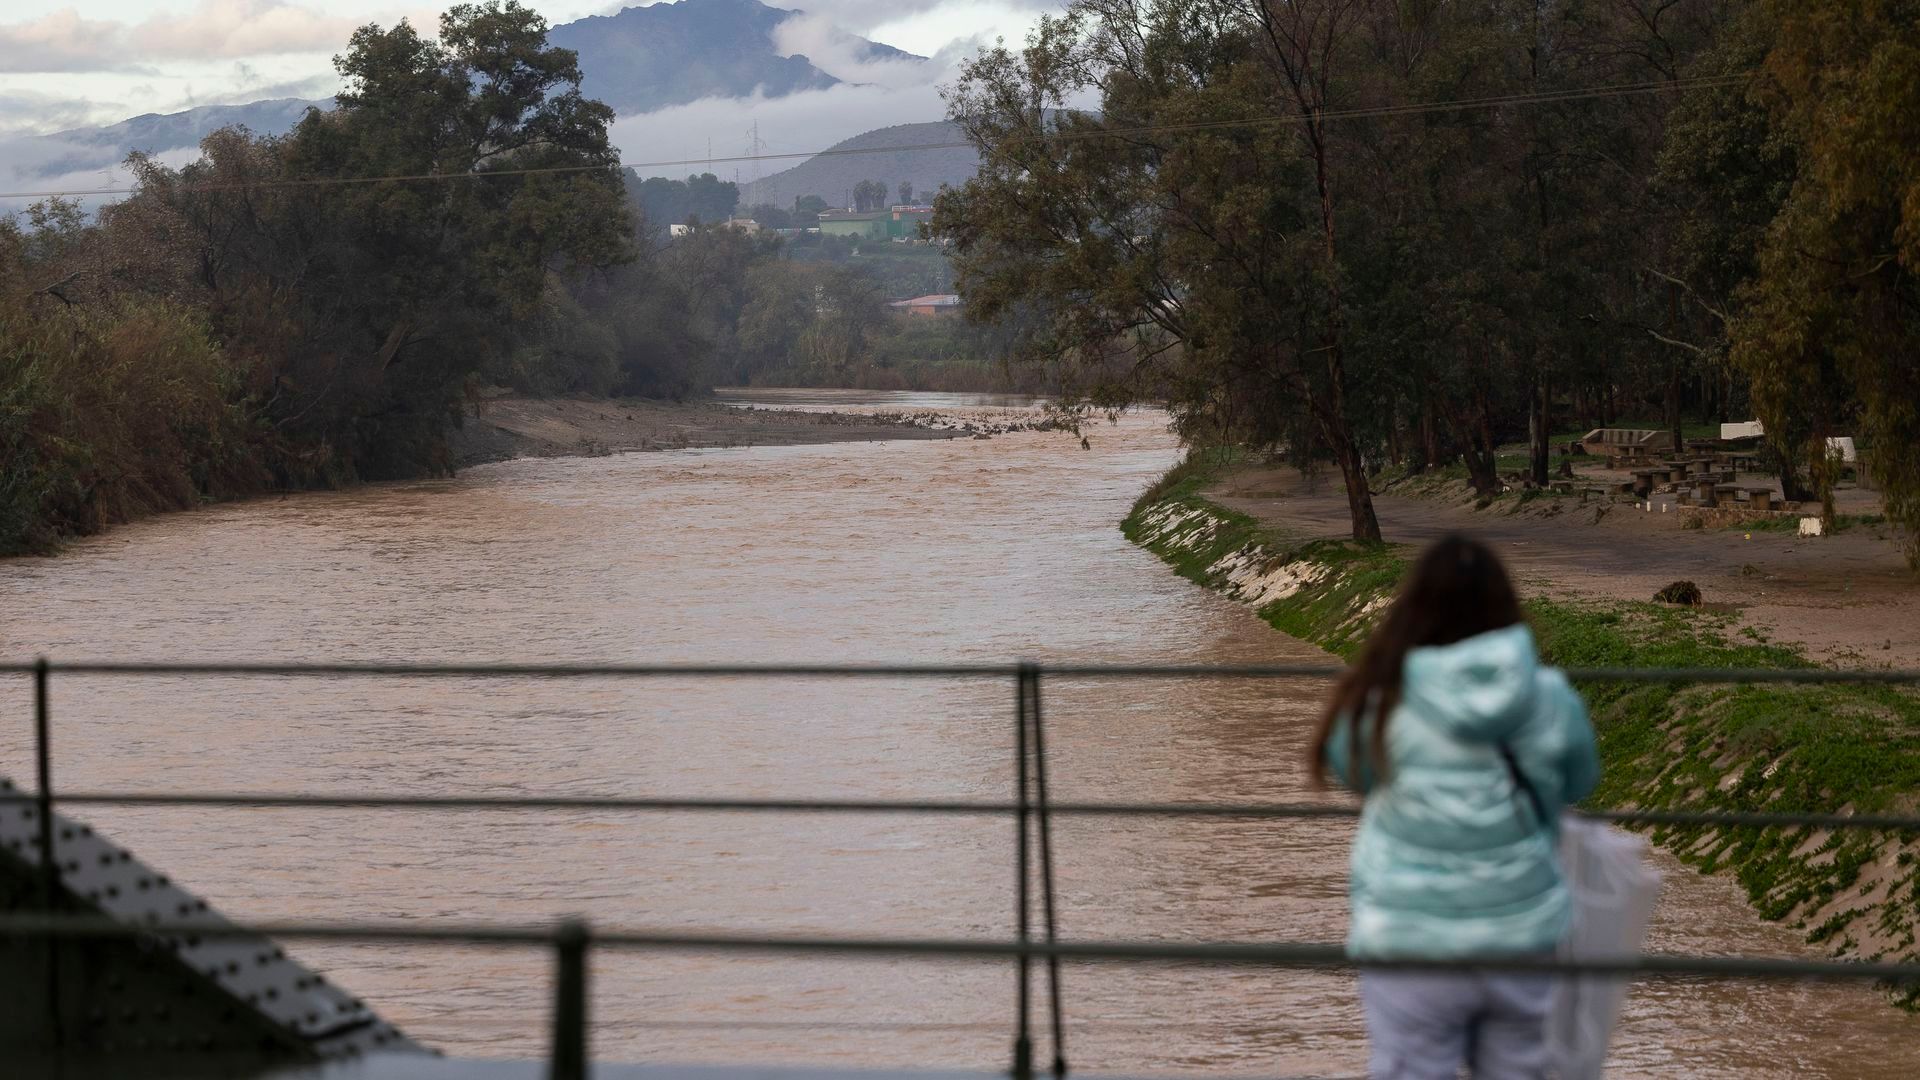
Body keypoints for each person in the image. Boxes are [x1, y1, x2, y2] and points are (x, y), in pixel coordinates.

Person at [1309, 534, 1599, 1079]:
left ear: (1415, 607)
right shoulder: (1550, 696)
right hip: (1525, 937)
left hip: (1410, 942)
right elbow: (1581, 782)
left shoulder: (1381, 699)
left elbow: (1351, 771)